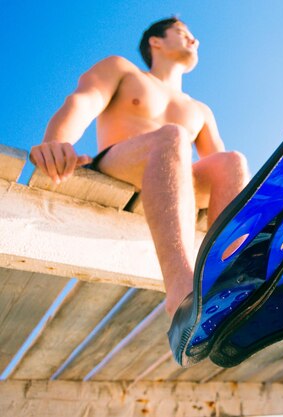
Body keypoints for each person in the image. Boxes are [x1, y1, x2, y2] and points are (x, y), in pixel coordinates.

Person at [29, 17, 250, 318]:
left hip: (175, 177)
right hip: (123, 165)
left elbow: (221, 175)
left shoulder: (199, 110)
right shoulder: (123, 69)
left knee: (232, 161)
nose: (194, 41)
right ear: (155, 41)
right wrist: (57, 140)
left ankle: (231, 284)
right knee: (173, 135)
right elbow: (84, 100)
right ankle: (182, 295)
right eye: (183, 33)